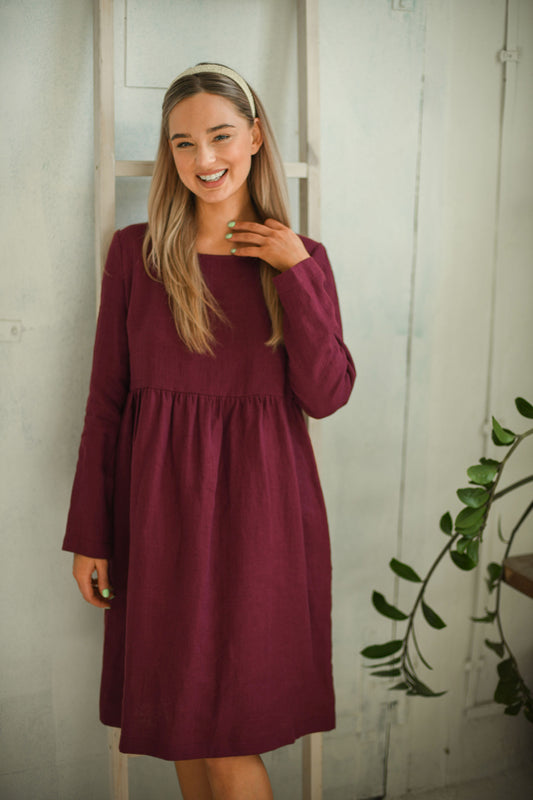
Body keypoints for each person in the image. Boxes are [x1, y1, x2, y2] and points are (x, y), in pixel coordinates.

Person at [63, 63, 355, 800]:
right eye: (183, 143)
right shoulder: (137, 256)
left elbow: (326, 395)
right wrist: (90, 535)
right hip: (157, 517)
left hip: (260, 520)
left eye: (220, 136)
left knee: (228, 739)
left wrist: (294, 272)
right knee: (183, 732)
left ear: (254, 137)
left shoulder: (299, 260)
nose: (204, 159)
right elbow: (106, 403)